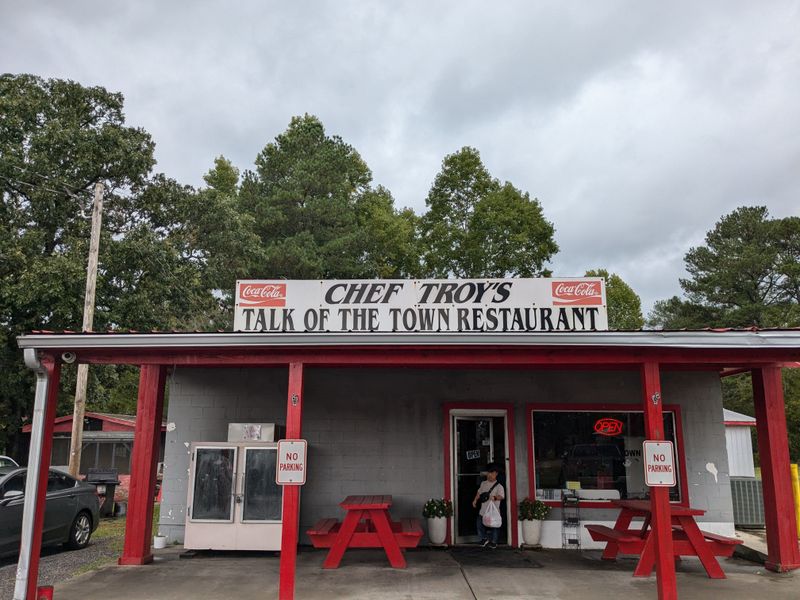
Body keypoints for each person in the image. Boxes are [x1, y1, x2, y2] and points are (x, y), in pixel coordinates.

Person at [472, 462, 505, 548]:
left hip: (494, 511)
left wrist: (495, 497)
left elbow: (502, 496)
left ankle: (494, 541)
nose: (490, 475)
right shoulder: (483, 483)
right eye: (488, 473)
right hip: (483, 510)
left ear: (496, 474)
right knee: (479, 524)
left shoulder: (499, 486)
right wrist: (475, 500)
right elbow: (479, 492)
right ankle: (484, 539)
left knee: (495, 526)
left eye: (492, 473)